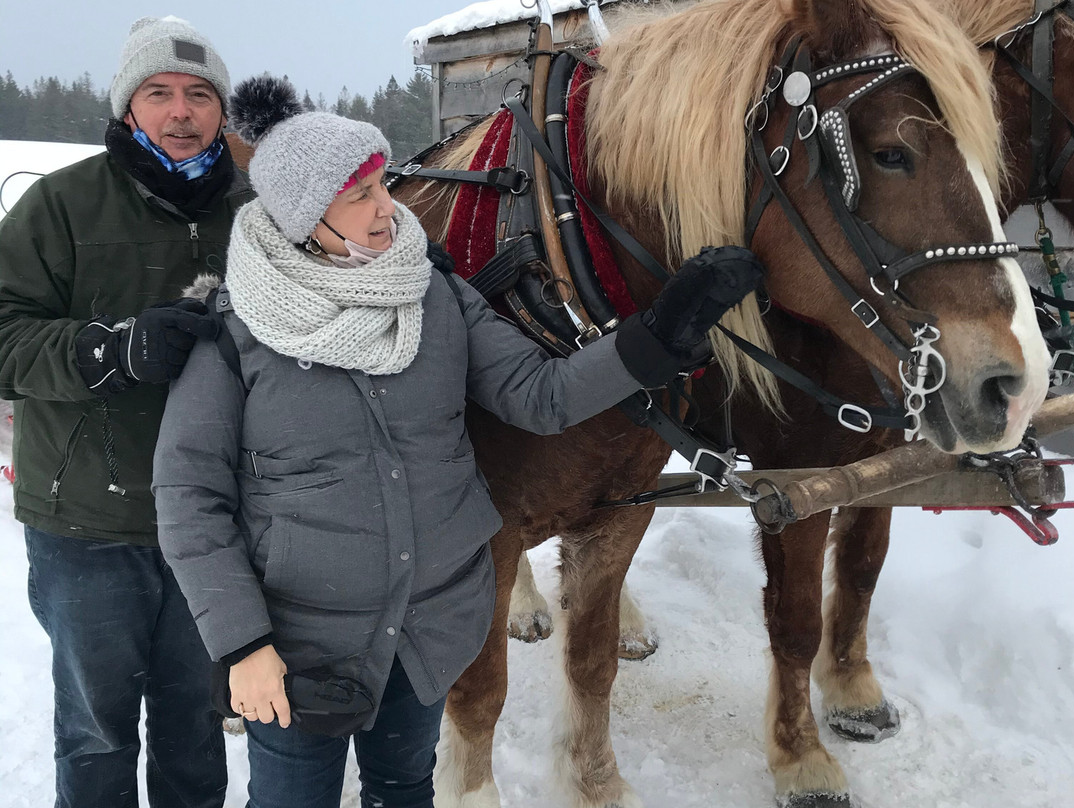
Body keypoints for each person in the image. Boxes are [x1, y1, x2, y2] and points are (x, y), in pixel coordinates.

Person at [152, 75, 765, 808]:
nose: (390, 209)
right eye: (361, 196)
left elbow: (543, 395)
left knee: (406, 788)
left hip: (426, 632)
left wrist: (658, 336)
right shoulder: (230, 331)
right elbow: (190, 502)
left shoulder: (436, 296)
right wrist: (243, 645)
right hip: (296, 647)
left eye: (382, 185)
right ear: (302, 217)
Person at [0, 16, 254, 808]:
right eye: (160, 93)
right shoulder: (61, 205)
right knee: (97, 733)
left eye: (199, 95)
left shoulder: (257, 211)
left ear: (221, 110)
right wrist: (109, 351)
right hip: (87, 529)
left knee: (195, 727)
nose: (181, 112)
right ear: (128, 107)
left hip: (213, 530)